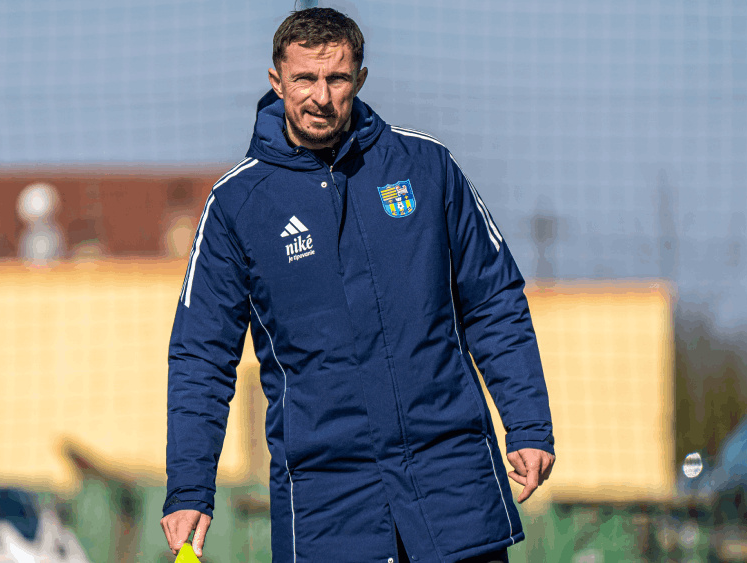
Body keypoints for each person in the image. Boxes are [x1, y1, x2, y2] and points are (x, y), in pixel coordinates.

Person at [161, 8, 555, 563]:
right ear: (277, 81)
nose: (321, 97)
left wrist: (529, 423)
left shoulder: (427, 167)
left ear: (361, 79)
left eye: (337, 78)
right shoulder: (237, 205)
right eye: (304, 78)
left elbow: (494, 302)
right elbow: (201, 356)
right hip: (328, 505)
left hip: (453, 484)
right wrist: (189, 487)